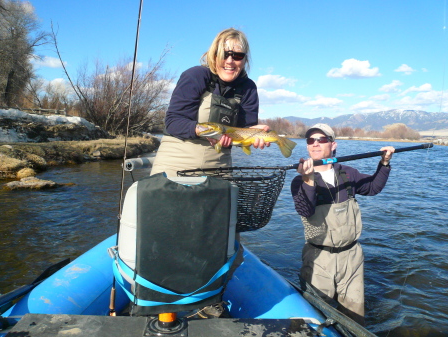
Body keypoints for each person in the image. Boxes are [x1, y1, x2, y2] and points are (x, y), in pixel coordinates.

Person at [290, 123, 395, 325]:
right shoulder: (299, 180)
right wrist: (308, 181)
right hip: (319, 257)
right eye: (311, 140)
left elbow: (373, 188)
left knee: (355, 315)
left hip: (352, 257)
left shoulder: (348, 173)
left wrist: (384, 164)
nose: (315, 143)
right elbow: (305, 210)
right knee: (316, 316)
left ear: (333, 144)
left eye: (321, 139)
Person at [151, 28, 269, 177]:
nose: (230, 61)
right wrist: (205, 132)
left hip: (219, 169)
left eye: (237, 56)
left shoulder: (248, 88)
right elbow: (173, 122)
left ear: (245, 59)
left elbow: (244, 129)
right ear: (213, 55)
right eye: (224, 54)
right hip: (175, 164)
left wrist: (254, 134)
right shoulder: (196, 76)